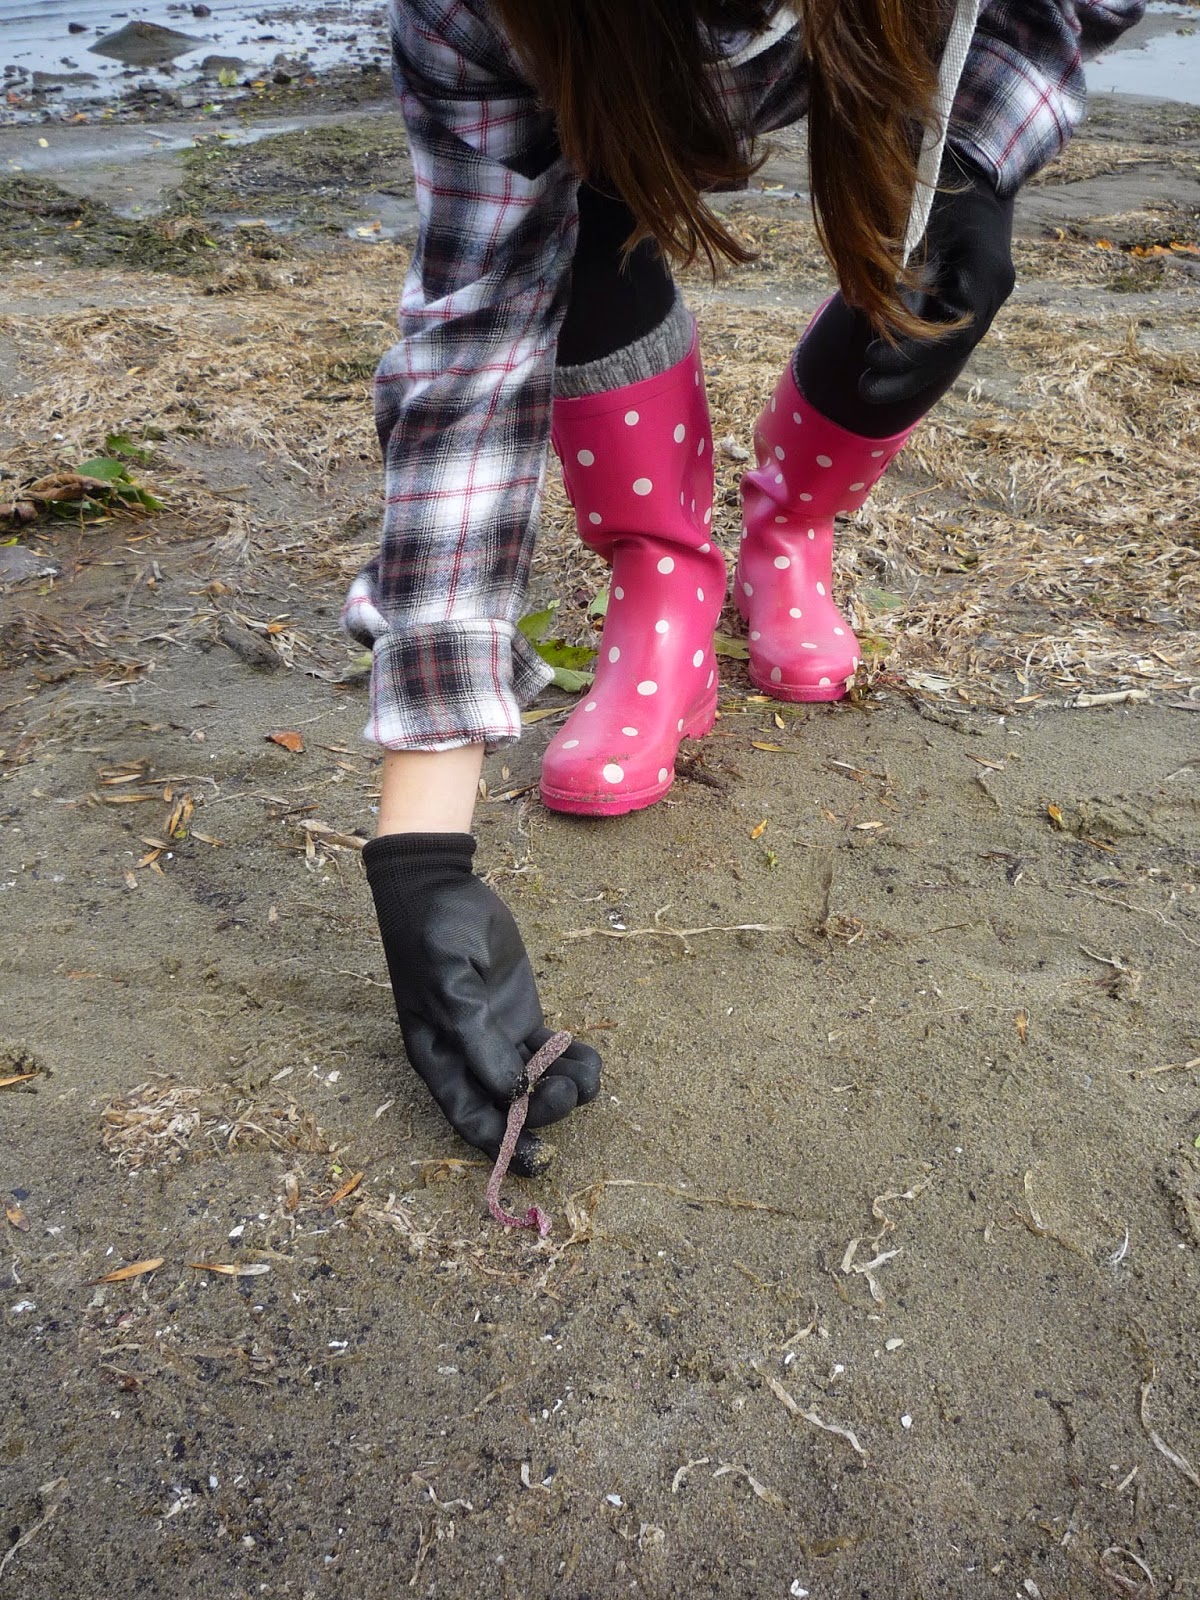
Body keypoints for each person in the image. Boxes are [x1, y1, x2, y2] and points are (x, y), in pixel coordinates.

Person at [349, 0, 1144, 1173]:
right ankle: (660, 577)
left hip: (902, 30)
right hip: (603, 63)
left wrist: (974, 149)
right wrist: (422, 859)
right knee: (581, 237)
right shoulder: (476, 18)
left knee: (949, 266)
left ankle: (792, 529)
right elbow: (471, 351)